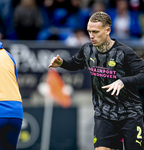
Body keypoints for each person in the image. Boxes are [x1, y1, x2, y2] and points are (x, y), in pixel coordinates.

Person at [49, 11, 144, 150]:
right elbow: (76, 62)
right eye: (89, 31)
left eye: (95, 31)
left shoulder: (124, 53)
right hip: (104, 114)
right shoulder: (87, 49)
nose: (91, 36)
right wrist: (62, 63)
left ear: (108, 30)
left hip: (130, 115)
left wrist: (123, 81)